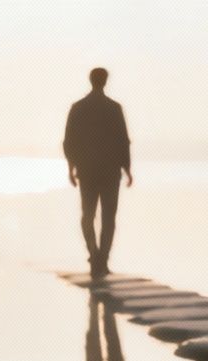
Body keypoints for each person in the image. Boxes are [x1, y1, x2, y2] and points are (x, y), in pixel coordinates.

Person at [63, 67, 132, 277]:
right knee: (109, 217)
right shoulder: (114, 108)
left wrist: (71, 167)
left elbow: (69, 142)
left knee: (88, 215)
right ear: (105, 81)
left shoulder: (78, 108)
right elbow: (123, 141)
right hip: (110, 171)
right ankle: (102, 258)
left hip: (87, 171)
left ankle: (94, 255)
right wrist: (127, 169)